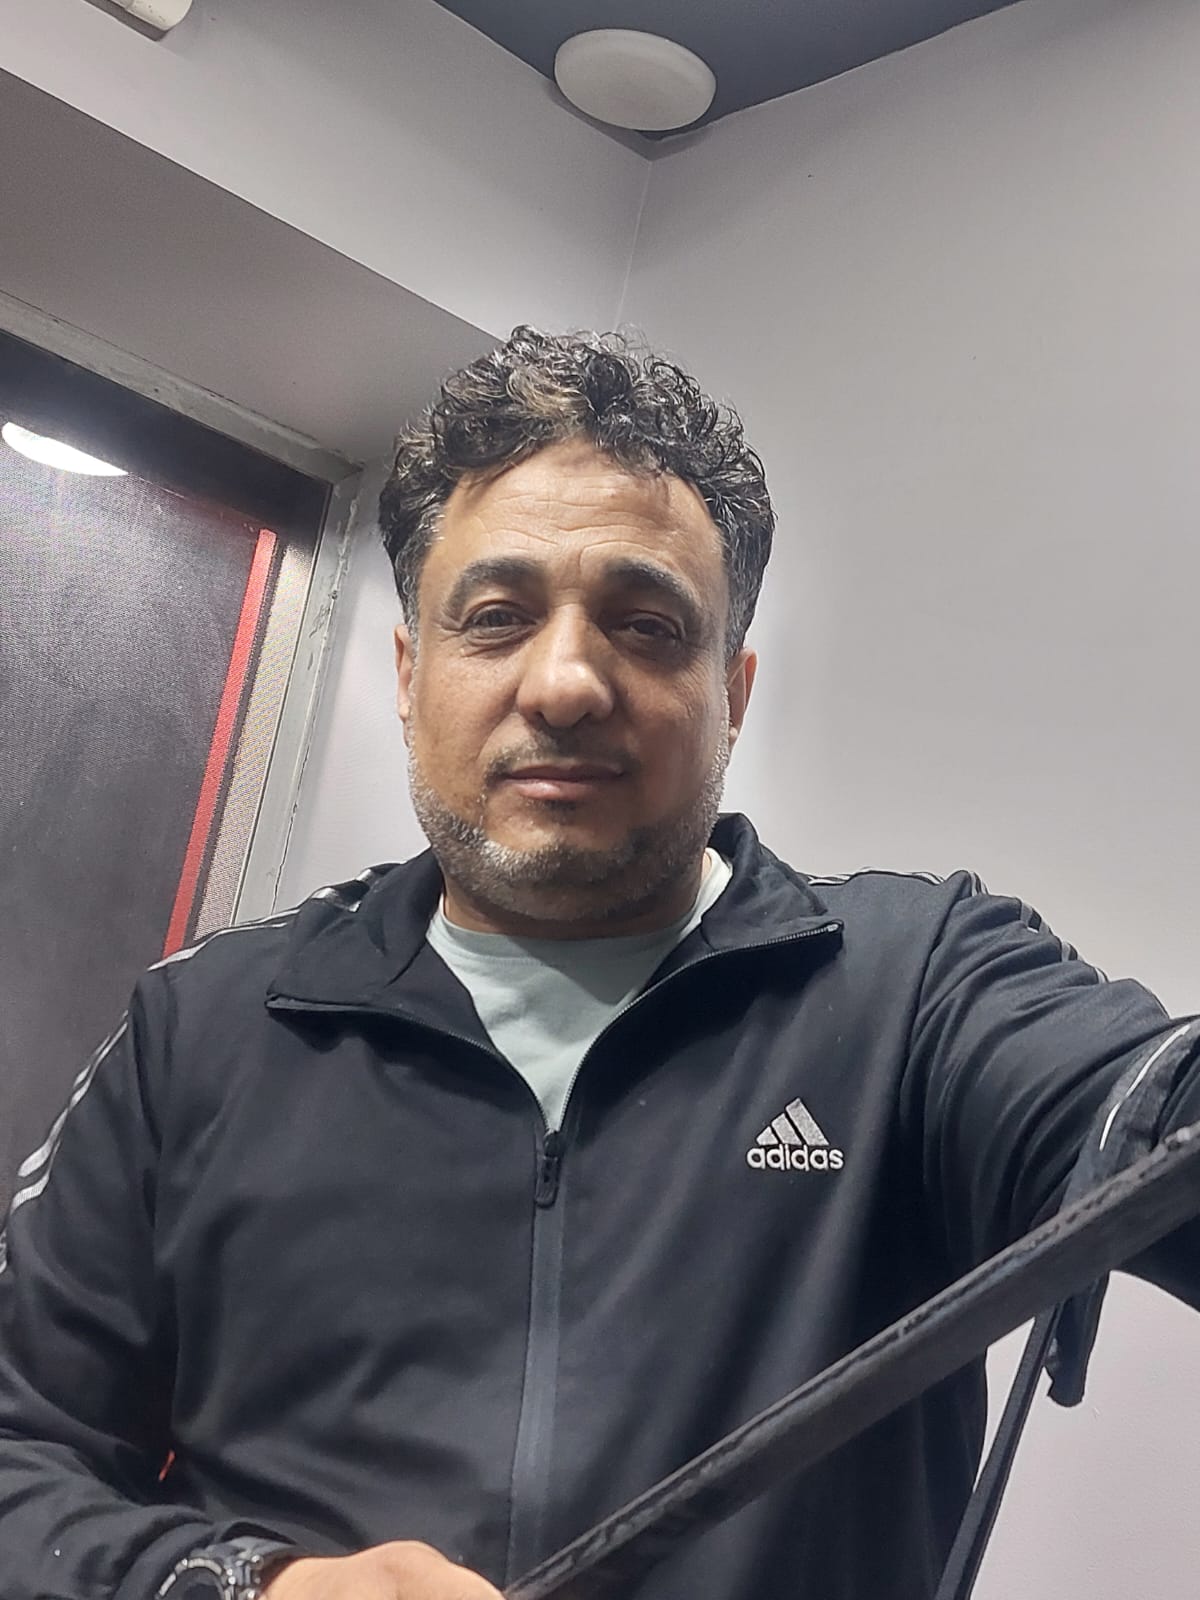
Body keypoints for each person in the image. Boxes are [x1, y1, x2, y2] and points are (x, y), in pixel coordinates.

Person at [1, 327, 1198, 1600]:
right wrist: (253, 1586)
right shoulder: (206, 1025)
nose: (567, 682)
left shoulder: (918, 988)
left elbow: (1149, 1109)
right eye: (498, 618)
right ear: (409, 674)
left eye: (646, 625)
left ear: (732, 691)